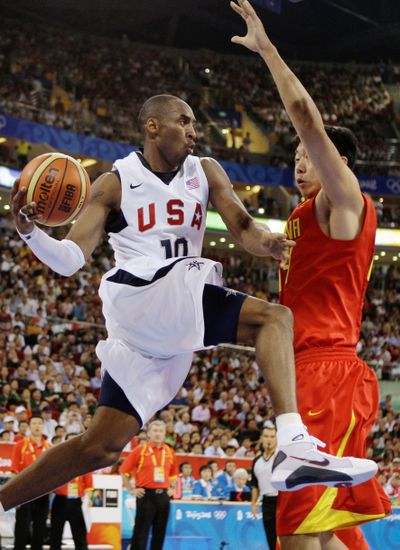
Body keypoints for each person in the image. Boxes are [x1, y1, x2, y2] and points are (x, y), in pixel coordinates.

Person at [3, 85, 378, 514]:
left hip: (163, 328)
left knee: (99, 447)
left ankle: (1, 502)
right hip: (144, 294)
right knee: (274, 318)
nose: (194, 131)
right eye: (184, 122)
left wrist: (268, 244)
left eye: (195, 124)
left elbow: (243, 226)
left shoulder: (206, 171)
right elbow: (70, 260)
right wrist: (30, 233)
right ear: (152, 126)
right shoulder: (115, 181)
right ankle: (293, 443)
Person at [230, 1, 392, 548]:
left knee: (296, 523)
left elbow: (304, 113)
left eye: (308, 154)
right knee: (329, 529)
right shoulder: (301, 220)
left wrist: (268, 50)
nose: (299, 161)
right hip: (303, 372)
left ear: (334, 163)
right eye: (296, 156)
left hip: (326, 368)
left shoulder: (343, 201)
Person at [119, 420, 177, 550]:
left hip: (163, 497)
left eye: (161, 431)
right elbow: (123, 470)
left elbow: (173, 474)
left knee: (160, 532)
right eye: (155, 431)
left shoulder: (169, 452)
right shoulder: (140, 450)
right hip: (146, 495)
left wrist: (172, 488)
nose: (158, 434)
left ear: (165, 434)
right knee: (141, 532)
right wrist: (131, 490)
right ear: (149, 434)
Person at [11, 415, 51, 550]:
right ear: (29, 426)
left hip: (42, 494)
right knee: (22, 526)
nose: (37, 426)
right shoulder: (20, 445)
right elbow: (14, 472)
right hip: (24, 494)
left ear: (43, 426)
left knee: (40, 527)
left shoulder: (49, 447)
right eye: (34, 423)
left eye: (39, 423)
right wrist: (15, 497)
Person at [49, 433, 93, 550]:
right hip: (59, 501)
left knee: (80, 537)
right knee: (55, 536)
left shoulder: (85, 462)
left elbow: (89, 482)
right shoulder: (58, 460)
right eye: (70, 441)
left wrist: (90, 498)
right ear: (66, 443)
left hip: (75, 502)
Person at [250, 425, 278, 550]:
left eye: (272, 437)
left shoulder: (281, 457)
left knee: (284, 536)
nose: (269, 439)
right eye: (266, 436)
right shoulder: (256, 461)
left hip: (282, 500)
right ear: (261, 438)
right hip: (266, 502)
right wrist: (253, 503)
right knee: (270, 536)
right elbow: (255, 484)